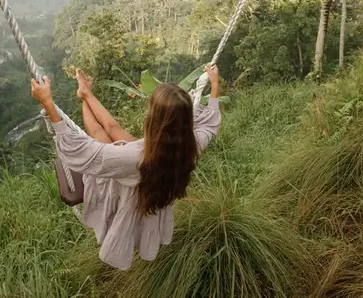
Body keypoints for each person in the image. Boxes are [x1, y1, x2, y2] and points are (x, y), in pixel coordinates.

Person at [30, 65, 222, 270]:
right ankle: (86, 94)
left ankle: (85, 96)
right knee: (114, 133)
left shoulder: (134, 158)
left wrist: (49, 104)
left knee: (102, 137)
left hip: (128, 188)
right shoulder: (192, 145)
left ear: (155, 120)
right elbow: (210, 124)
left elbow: (84, 149)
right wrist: (215, 85)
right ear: (186, 119)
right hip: (151, 177)